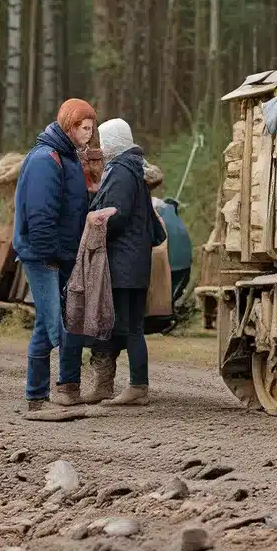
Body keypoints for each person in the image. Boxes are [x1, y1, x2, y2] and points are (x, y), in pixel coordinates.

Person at [13, 99, 96, 411]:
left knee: (46, 323)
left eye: (91, 128)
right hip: (43, 255)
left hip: (60, 254)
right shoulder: (46, 160)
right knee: (55, 324)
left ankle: (47, 393)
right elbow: (40, 216)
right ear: (70, 126)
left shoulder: (68, 158)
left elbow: (72, 208)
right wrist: (54, 255)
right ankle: (39, 398)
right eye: (84, 128)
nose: (89, 134)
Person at [83, 119, 165, 406]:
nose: (101, 147)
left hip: (122, 263)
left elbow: (115, 215)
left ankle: (137, 387)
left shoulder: (120, 171)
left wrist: (94, 223)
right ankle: (128, 385)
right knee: (129, 325)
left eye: (104, 140)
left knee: (127, 326)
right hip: (134, 260)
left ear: (113, 142)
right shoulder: (134, 168)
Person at [153, 196, 193, 305]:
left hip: (167, 266)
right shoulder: (177, 222)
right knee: (172, 293)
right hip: (184, 266)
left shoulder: (158, 219)